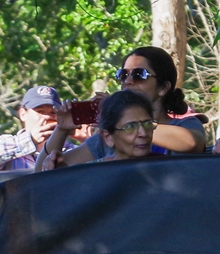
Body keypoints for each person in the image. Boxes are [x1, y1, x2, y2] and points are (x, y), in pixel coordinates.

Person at [45, 46, 205, 166]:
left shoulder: (184, 125)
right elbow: (44, 172)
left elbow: (192, 143)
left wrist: (123, 120)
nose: (128, 81)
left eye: (139, 75)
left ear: (163, 87)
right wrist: (62, 129)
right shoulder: (111, 135)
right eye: (122, 75)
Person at [39, 90, 162, 166]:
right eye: (130, 127)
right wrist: (61, 129)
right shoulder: (94, 172)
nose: (143, 133)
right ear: (108, 137)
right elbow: (40, 174)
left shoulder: (165, 167)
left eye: (147, 124)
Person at [0, 86, 71, 172]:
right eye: (40, 111)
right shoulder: (9, 143)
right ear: (23, 114)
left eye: (53, 112)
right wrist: (30, 140)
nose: (47, 117)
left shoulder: (70, 150)